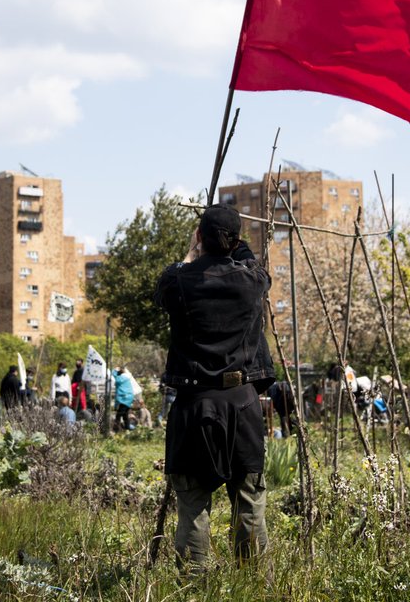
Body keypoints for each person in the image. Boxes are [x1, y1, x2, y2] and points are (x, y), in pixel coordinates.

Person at [154, 204, 274, 574]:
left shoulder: (179, 281)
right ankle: (253, 583)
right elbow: (250, 260)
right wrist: (223, 243)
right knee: (248, 500)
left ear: (199, 237)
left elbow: (164, 289)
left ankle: (194, 584)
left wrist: (193, 252)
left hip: (195, 406)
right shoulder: (254, 281)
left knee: (193, 504)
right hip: (242, 404)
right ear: (236, 240)